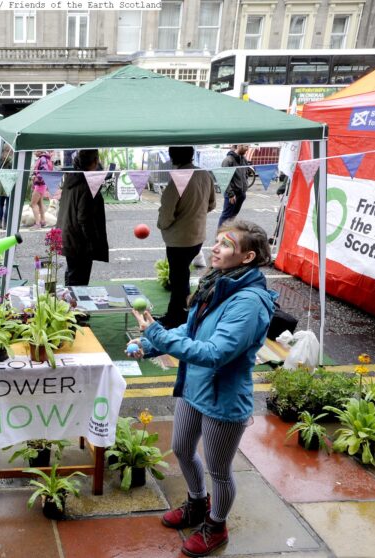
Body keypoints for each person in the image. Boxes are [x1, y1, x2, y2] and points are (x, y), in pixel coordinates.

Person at [128, 220, 276, 558]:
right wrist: (151, 344)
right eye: (217, 241)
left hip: (224, 400)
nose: (215, 247)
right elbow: (192, 330)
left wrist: (157, 336)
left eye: (226, 244)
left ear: (247, 257)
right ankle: (197, 503)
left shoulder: (249, 303)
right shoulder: (218, 283)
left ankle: (216, 525)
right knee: (181, 448)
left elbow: (215, 353)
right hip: (194, 388)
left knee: (219, 470)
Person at [157, 145, 216, 329]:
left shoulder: (178, 179)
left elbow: (167, 212)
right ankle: (185, 308)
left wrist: (163, 225)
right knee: (183, 273)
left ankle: (175, 317)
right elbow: (212, 204)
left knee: (178, 277)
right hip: (197, 234)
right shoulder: (204, 174)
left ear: (172, 156)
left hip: (179, 238)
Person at [57, 149, 108, 286]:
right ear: (95, 161)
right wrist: (92, 243)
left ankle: (69, 304)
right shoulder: (86, 185)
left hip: (69, 236)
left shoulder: (71, 179)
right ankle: (74, 306)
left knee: (72, 275)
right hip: (80, 242)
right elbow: (84, 218)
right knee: (78, 283)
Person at [217, 144, 250, 228]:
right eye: (246, 147)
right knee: (226, 216)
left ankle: (228, 232)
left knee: (233, 216)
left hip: (241, 193)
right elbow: (224, 180)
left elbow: (245, 173)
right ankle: (220, 235)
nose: (247, 149)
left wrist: (245, 187)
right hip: (232, 194)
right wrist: (231, 194)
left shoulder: (244, 159)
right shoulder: (228, 160)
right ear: (239, 146)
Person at [29, 150, 53, 229]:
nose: (34, 152)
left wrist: (35, 177)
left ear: (41, 151)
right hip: (42, 184)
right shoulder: (44, 158)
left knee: (33, 204)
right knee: (39, 203)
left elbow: (44, 172)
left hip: (40, 184)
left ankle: (37, 223)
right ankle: (43, 221)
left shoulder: (42, 159)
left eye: (35, 151)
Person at [0, 144, 12, 229]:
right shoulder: (11, 160)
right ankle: (5, 224)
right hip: (8, 183)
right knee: (8, 205)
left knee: (0, 204)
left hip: (0, 183)